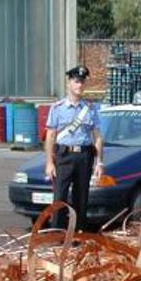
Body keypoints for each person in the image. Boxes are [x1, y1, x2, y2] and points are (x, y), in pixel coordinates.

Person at [44, 64, 103, 231]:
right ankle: (57, 233)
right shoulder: (58, 108)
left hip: (84, 157)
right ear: (69, 83)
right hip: (64, 156)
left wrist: (99, 162)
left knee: (81, 198)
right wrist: (49, 162)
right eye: (77, 81)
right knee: (60, 197)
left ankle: (78, 234)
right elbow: (50, 136)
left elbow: (97, 137)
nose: (80, 85)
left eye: (82, 82)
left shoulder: (91, 109)